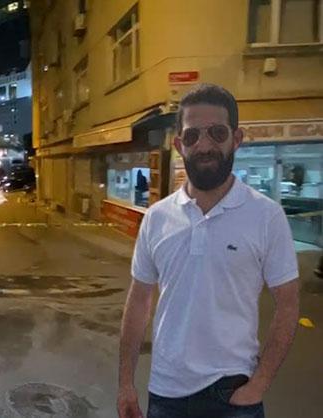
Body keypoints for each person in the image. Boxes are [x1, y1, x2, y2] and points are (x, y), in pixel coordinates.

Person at [118, 84, 299, 418]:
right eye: (192, 136)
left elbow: (288, 304)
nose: (204, 146)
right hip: (166, 393)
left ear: (236, 138)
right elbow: (139, 301)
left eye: (217, 133)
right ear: (179, 145)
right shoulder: (157, 218)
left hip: (233, 392)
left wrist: (259, 384)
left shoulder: (266, 216)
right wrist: (126, 383)